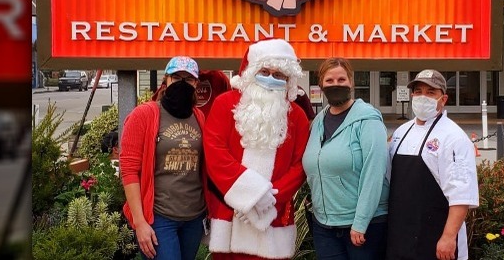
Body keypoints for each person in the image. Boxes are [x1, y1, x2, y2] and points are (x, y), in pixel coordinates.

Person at [203, 38, 310, 260]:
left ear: (288, 80)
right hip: (231, 214)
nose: (271, 79)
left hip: (274, 215)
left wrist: (269, 199)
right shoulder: (225, 104)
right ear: (251, 72)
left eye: (278, 75)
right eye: (264, 71)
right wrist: (251, 195)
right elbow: (215, 153)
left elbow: (300, 165)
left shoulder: (297, 116)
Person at [119, 56, 207, 260]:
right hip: (159, 218)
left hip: (193, 217)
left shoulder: (198, 117)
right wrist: (140, 222)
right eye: (177, 77)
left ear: (196, 84)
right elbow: (129, 170)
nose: (182, 83)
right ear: (166, 80)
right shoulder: (144, 115)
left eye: (189, 79)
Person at [386, 70, 479, 260]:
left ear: (443, 99)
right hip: (400, 235)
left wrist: (448, 237)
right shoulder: (401, 132)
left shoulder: (454, 137)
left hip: (436, 238)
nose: (422, 97)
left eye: (430, 92)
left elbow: (461, 195)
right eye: (418, 91)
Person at [302, 57, 390, 260]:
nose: (336, 85)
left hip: (363, 226)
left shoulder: (368, 120)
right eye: (329, 81)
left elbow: (374, 173)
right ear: (321, 84)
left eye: (341, 80)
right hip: (324, 224)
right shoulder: (318, 122)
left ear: (351, 82)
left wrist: (361, 222)